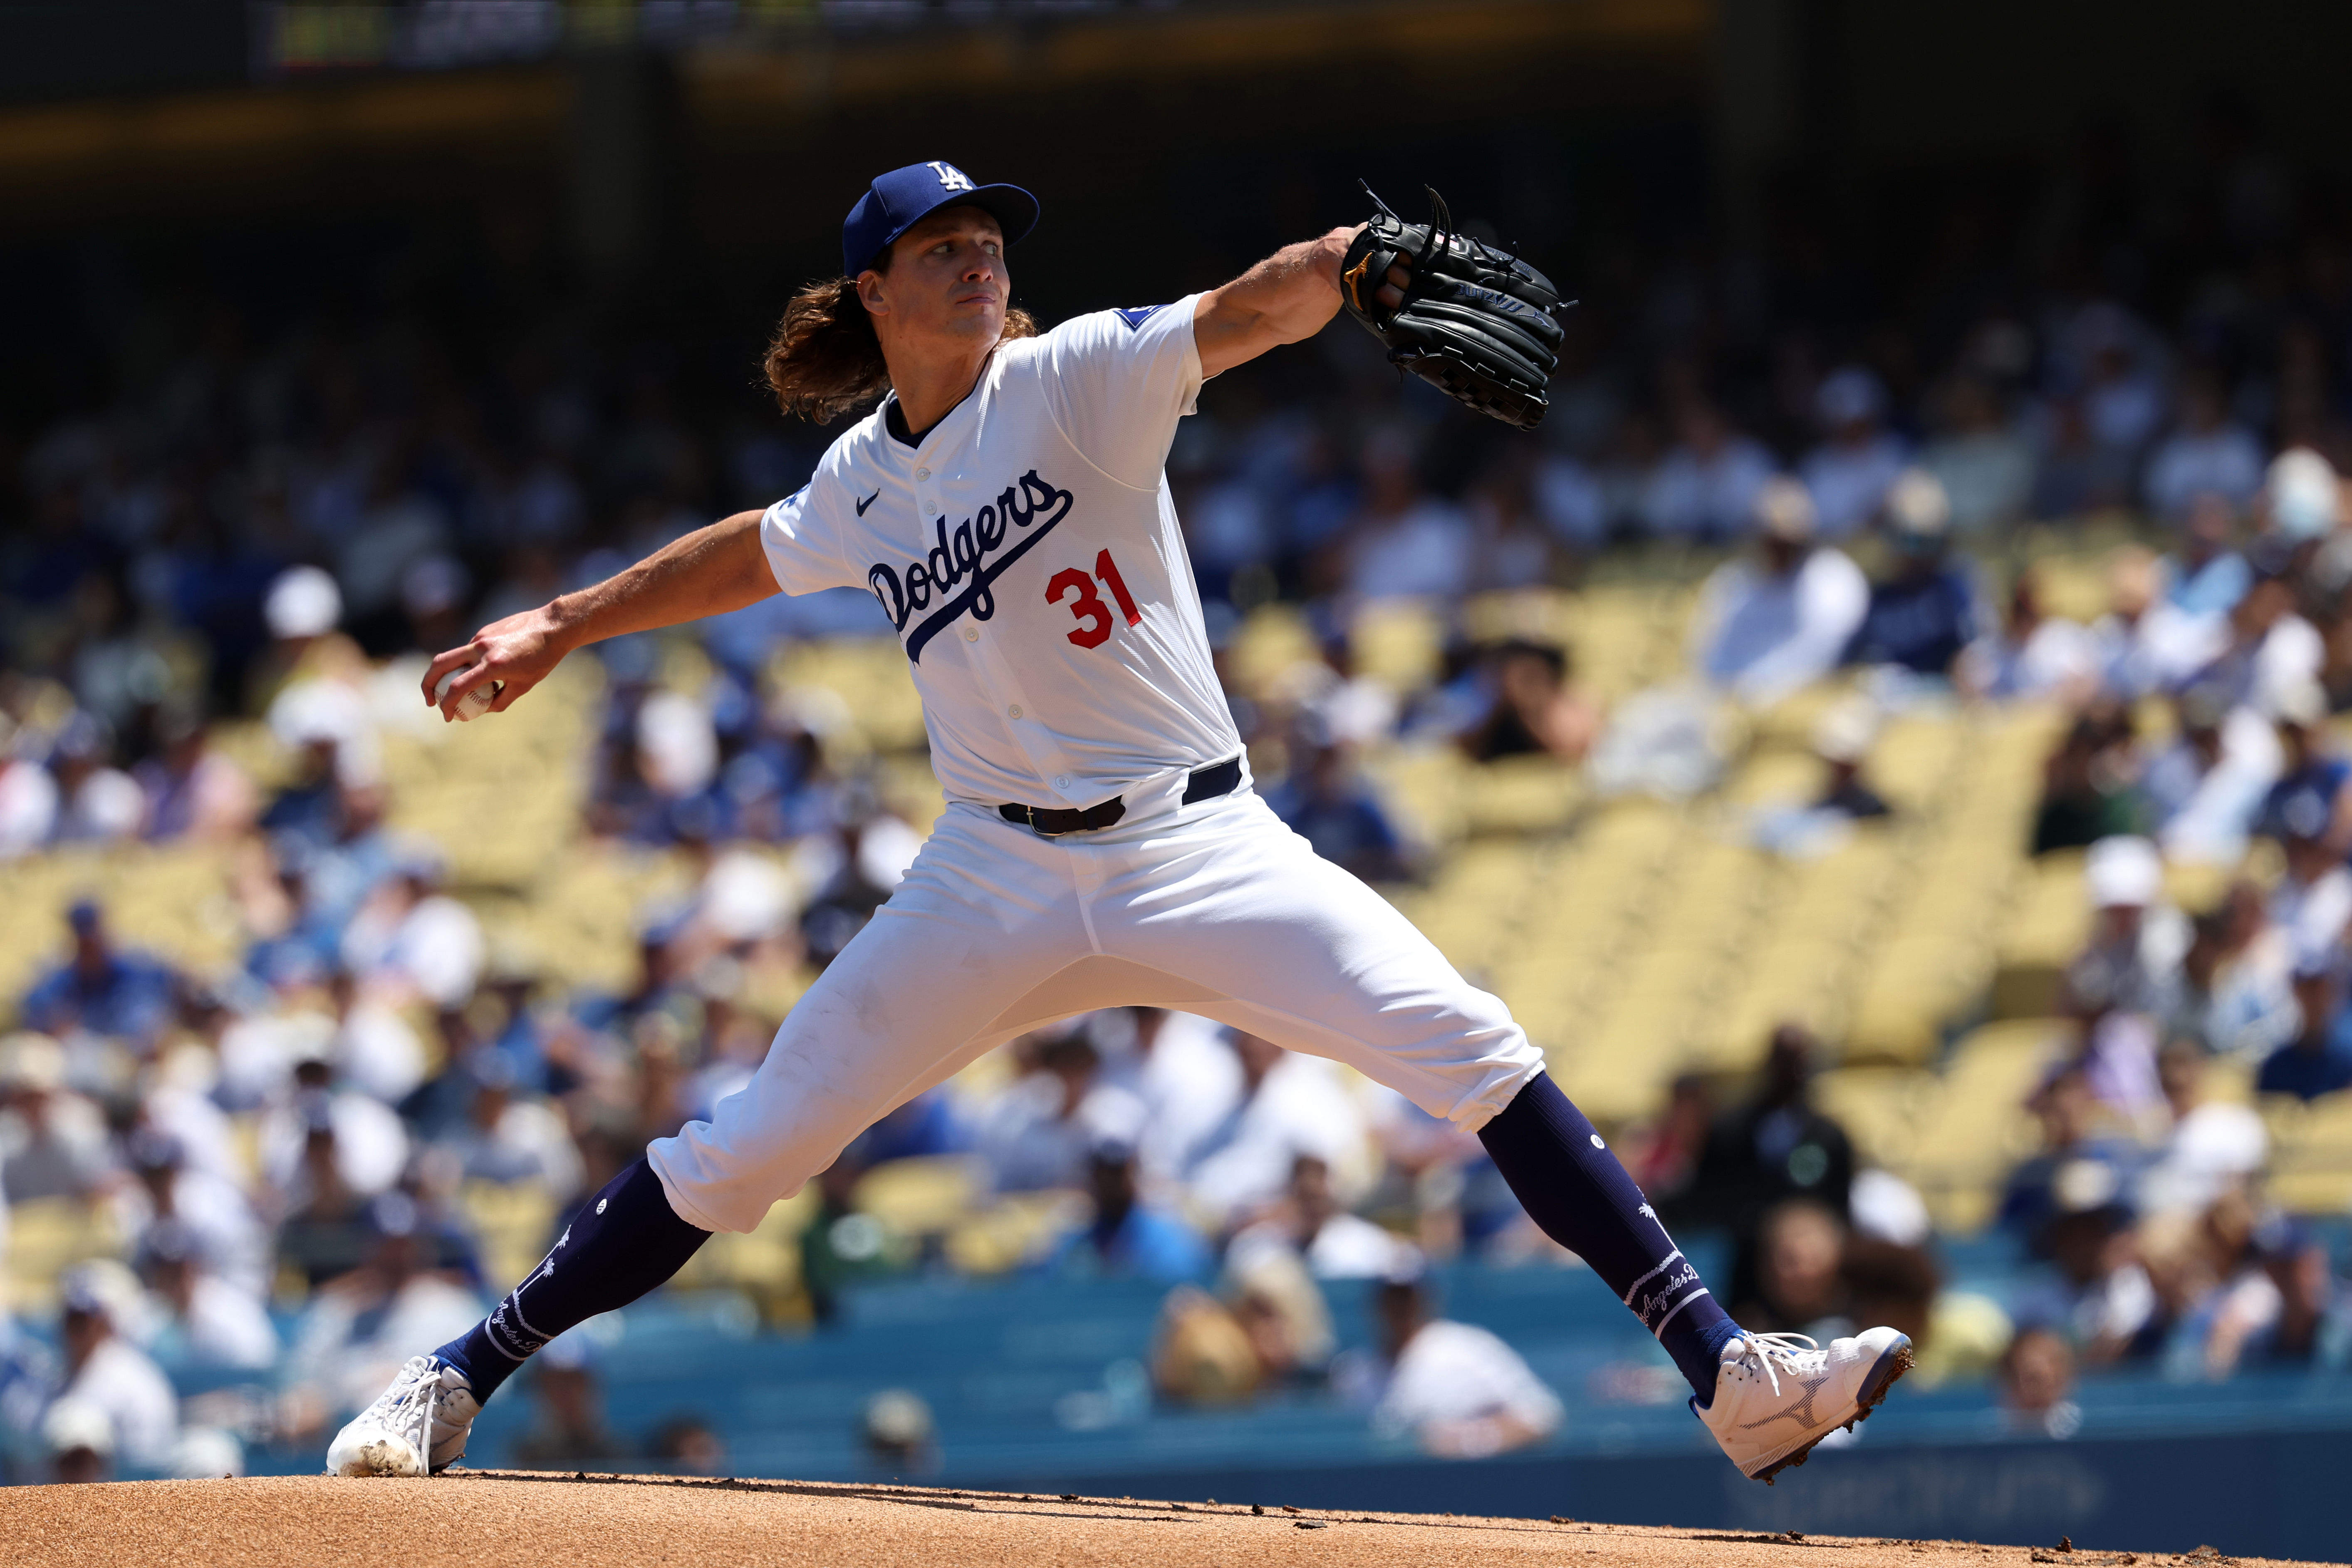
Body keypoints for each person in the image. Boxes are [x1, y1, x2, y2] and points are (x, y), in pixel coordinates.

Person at [329, 159, 1910, 1486]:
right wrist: (563, 621)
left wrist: (1354, 260)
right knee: (748, 1147)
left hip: (1195, 843)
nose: (981, 263)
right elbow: (754, 549)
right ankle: (457, 1376)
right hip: (994, 867)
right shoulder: (861, 483)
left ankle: (1732, 1375)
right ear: (874, 291)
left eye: (991, 243)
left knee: (1473, 1044)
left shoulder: (1077, 375)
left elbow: (1247, 306)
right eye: (943, 249)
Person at [1688, 478, 1870, 707]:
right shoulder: (1733, 583)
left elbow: (1825, 652)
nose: (1779, 551)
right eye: (1772, 541)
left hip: (1805, 705)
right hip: (1731, 704)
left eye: (1788, 543)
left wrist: (1759, 690)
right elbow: (1709, 658)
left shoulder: (1834, 580)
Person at [1354, 1265, 1563, 1459]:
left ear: (1426, 1299)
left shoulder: (1466, 1349)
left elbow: (1541, 1416)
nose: (1400, 1308)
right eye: (1392, 1299)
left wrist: (1468, 1440)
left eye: (1407, 1298)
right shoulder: (1358, 1372)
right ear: (1377, 1305)